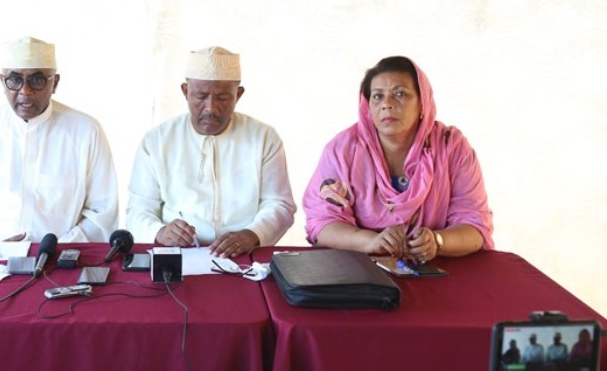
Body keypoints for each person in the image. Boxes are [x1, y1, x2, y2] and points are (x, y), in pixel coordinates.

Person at [302, 56, 493, 262]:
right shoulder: (343, 150)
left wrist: (438, 241)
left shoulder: (451, 147)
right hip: (360, 267)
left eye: (400, 94)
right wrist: (370, 242)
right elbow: (321, 223)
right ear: (367, 106)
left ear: (423, 103)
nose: (386, 104)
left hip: (439, 267)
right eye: (377, 96)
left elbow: (475, 225)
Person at [0, 37, 118, 248]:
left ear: (55, 83)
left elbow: (102, 212)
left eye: (37, 80)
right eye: (15, 80)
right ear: (2, 82)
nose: (25, 91)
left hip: (64, 259)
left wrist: (56, 250)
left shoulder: (86, 131)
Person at [126, 46, 296, 258]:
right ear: (185, 92)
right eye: (201, 96)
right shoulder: (157, 141)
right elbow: (138, 210)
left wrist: (253, 234)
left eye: (223, 98)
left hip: (245, 255)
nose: (210, 108)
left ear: (238, 95)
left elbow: (279, 204)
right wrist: (160, 232)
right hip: (177, 256)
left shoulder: (264, 138)